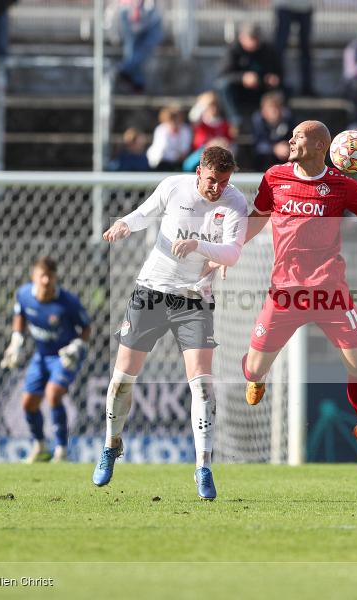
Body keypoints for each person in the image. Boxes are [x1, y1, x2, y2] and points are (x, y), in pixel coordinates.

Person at [93, 146, 248, 501]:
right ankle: (111, 445)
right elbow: (144, 214)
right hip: (150, 292)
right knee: (121, 381)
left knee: (203, 386)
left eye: (224, 181)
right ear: (199, 172)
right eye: (212, 180)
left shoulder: (235, 203)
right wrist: (124, 224)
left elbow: (233, 253)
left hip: (194, 299)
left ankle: (203, 467)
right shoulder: (173, 186)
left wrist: (198, 245)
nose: (218, 188)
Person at [239, 120, 357, 477]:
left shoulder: (342, 185)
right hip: (284, 293)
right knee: (255, 368)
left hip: (330, 291)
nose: (291, 140)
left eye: (299, 136)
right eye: (292, 135)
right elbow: (257, 219)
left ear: (322, 145)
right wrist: (225, 253)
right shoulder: (274, 177)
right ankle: (256, 376)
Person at [0, 256, 92, 463]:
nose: (46, 281)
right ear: (34, 277)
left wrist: (77, 346)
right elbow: (20, 314)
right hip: (41, 356)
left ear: (56, 278)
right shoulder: (24, 295)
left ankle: (61, 451)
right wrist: (16, 341)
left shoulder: (68, 302)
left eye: (50, 276)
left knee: (53, 394)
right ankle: (40, 447)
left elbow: (86, 327)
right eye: (42, 276)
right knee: (28, 403)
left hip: (64, 356)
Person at [215, 22, 283, 127]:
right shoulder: (233, 50)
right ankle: (235, 121)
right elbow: (223, 76)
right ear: (242, 37)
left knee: (284, 90)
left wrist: (272, 78)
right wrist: (242, 78)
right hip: (238, 91)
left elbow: (279, 72)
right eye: (251, 38)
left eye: (256, 39)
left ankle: (277, 122)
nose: (254, 42)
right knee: (223, 86)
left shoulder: (268, 50)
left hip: (261, 89)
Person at [115, 0, 162, 93]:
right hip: (134, 15)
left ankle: (130, 75)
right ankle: (136, 80)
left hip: (142, 19)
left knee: (135, 50)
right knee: (135, 50)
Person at [273, 0, 315, 96]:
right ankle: (277, 85)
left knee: (306, 50)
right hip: (284, 5)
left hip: (305, 6)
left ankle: (307, 87)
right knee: (279, 49)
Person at [251, 91, 293, 170]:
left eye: (277, 108)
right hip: (264, 160)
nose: (275, 112)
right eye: (271, 109)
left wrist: (287, 146)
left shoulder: (288, 119)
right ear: (263, 110)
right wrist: (274, 149)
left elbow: (292, 138)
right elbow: (258, 144)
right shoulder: (258, 120)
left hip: (284, 156)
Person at [146, 105, 192, 171]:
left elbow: (184, 150)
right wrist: (175, 156)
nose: (174, 122)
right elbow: (162, 149)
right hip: (161, 162)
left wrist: (178, 157)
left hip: (179, 163)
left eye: (176, 118)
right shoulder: (161, 129)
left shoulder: (185, 130)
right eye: (171, 119)